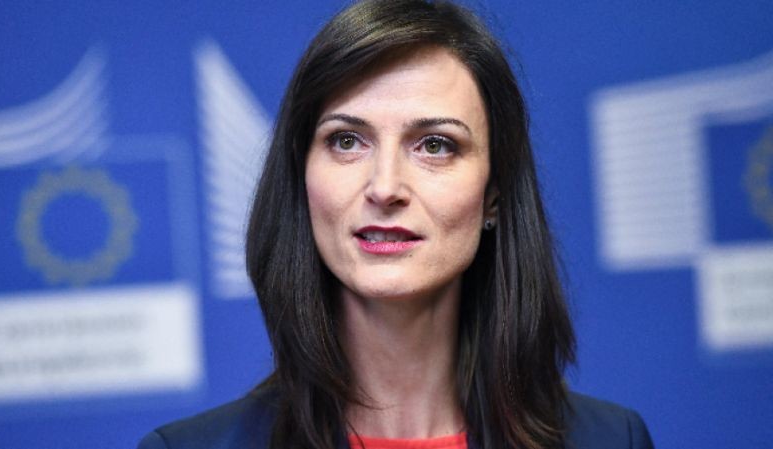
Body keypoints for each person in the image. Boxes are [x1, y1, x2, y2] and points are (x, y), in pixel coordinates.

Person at [139, 1, 654, 448]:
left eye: (435, 145)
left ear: (494, 195)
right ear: (301, 176)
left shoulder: (611, 440)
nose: (385, 187)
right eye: (346, 141)